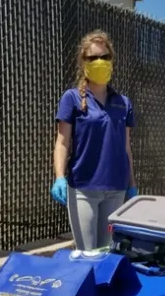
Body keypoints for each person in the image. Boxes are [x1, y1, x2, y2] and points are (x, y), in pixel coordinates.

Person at [50, 30, 137, 251]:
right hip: (84, 189)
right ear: (83, 62)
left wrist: (132, 184)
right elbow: (62, 142)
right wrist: (59, 177)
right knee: (86, 255)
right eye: (93, 58)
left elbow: (126, 147)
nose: (100, 62)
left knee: (107, 253)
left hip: (116, 189)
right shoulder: (71, 99)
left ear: (112, 60)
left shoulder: (123, 103)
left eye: (105, 57)